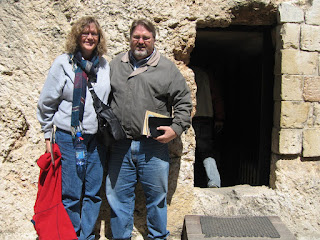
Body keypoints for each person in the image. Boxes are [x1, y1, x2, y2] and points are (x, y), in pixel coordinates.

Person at [106, 19, 192, 240]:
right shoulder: (116, 65)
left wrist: (176, 128)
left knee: (156, 199)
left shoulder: (166, 68)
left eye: (146, 38)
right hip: (120, 145)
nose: (141, 41)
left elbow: (183, 102)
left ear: (154, 40)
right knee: (118, 199)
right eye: (136, 37)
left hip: (153, 146)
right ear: (130, 38)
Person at [37, 16, 110, 240]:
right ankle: (70, 235)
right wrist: (47, 134)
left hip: (96, 139)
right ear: (77, 36)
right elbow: (47, 101)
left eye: (94, 34)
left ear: (99, 39)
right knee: (71, 193)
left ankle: (86, 236)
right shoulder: (63, 63)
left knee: (93, 192)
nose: (89, 37)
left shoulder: (105, 65)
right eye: (85, 33)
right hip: (70, 138)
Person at [191, 65, 225, 188]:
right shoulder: (206, 74)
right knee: (206, 152)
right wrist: (219, 117)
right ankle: (214, 181)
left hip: (188, 117)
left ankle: (187, 182)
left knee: (187, 151)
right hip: (205, 116)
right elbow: (216, 97)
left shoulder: (184, 71)